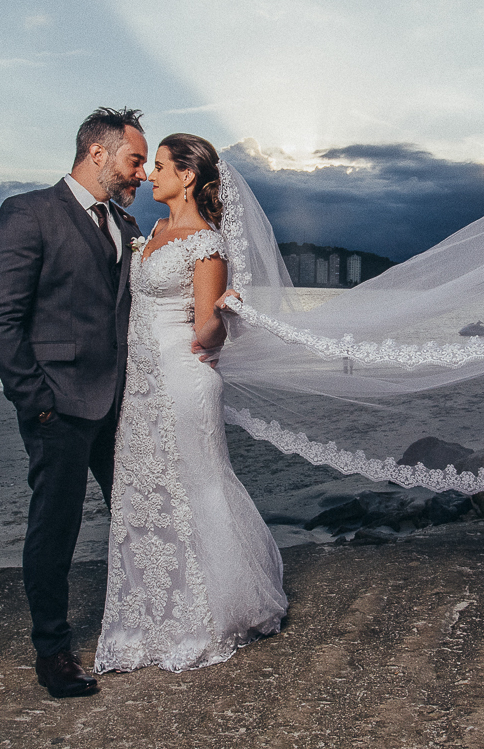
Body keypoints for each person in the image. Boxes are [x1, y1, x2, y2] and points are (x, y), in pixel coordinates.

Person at [94, 133, 287, 673]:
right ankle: (151, 612)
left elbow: (206, 335)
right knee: (144, 489)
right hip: (141, 383)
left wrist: (226, 314)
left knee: (195, 483)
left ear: (187, 177)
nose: (148, 176)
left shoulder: (207, 243)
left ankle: (210, 613)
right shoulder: (150, 232)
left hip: (184, 378)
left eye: (158, 167)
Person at [0, 107, 147, 698]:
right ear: (97, 154)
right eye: (134, 160)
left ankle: (151, 621)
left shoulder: (125, 227)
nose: (142, 174)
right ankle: (52, 652)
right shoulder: (29, 213)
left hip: (123, 403)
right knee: (57, 526)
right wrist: (37, 401)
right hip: (60, 406)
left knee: (141, 513)